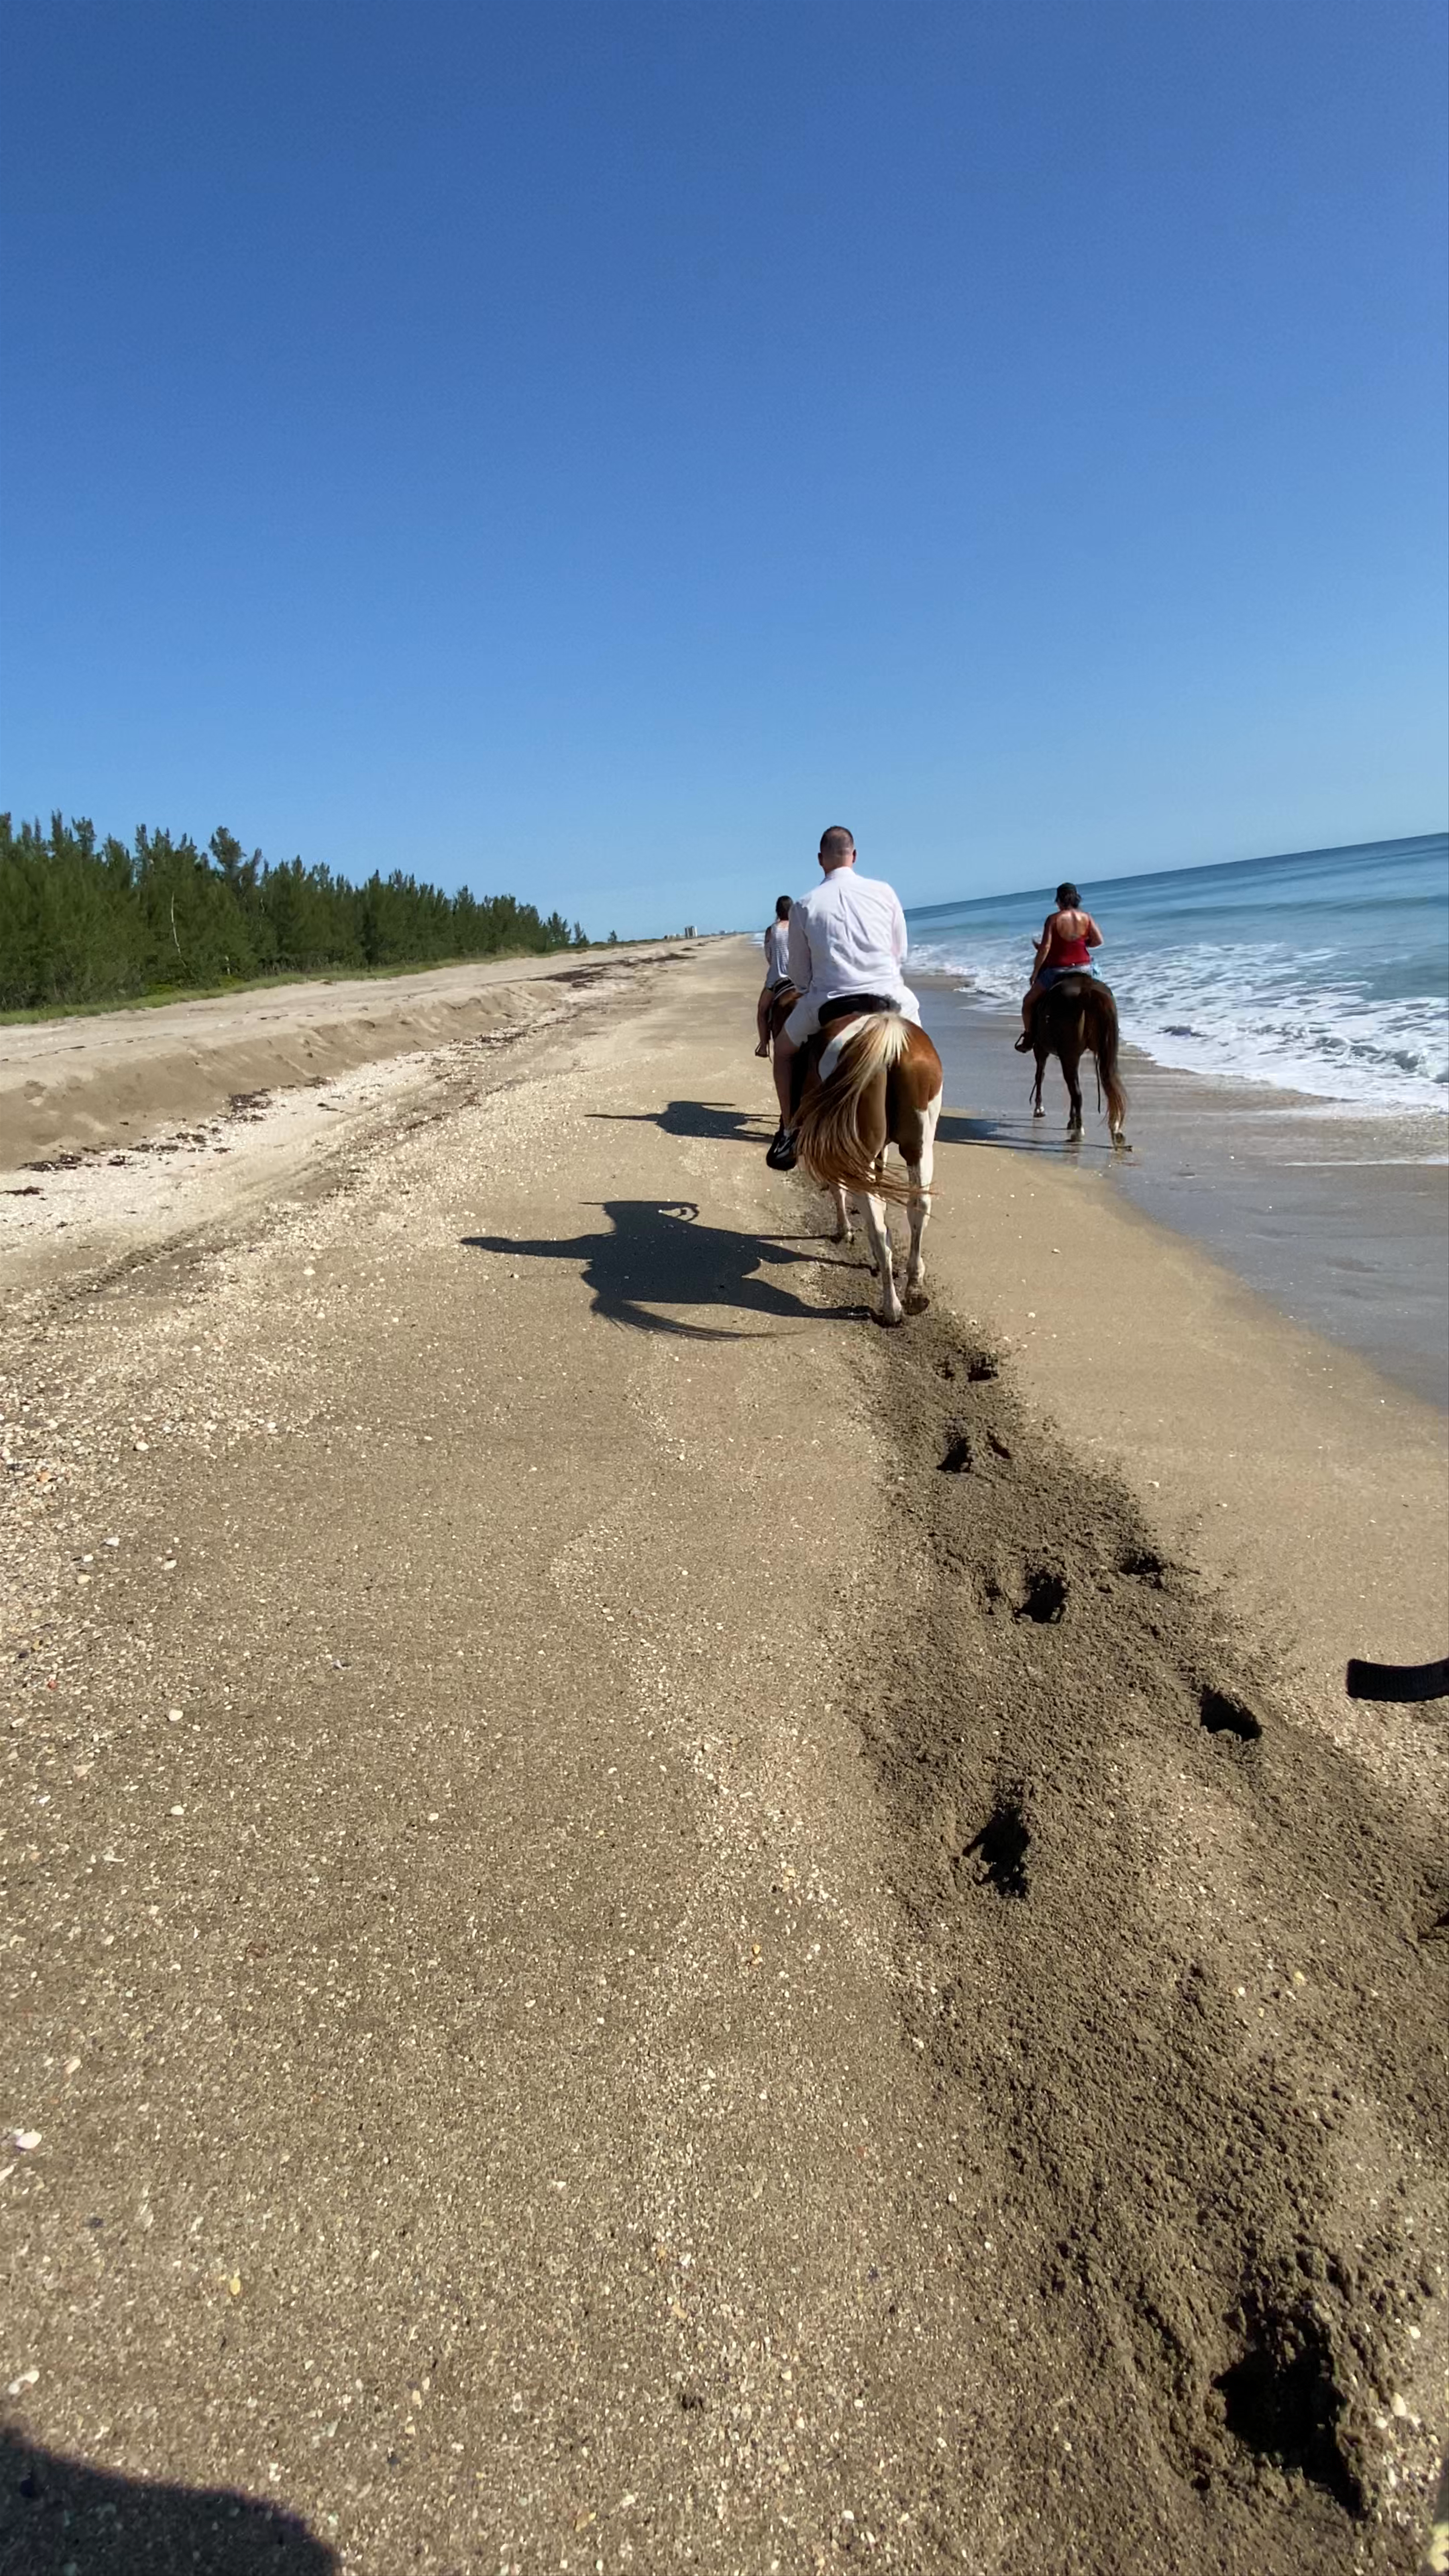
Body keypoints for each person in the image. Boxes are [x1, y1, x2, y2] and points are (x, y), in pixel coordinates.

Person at [766, 826, 920, 1170]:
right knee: (922, 1047)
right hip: (892, 998)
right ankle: (925, 1113)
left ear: (821, 860)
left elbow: (801, 976)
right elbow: (901, 954)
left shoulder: (804, 906)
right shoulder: (885, 891)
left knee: (784, 1051)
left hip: (830, 1001)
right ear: (855, 855)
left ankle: (790, 1128)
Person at [1015, 882, 1103, 1051]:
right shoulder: (1087, 917)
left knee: (1028, 1003)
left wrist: (1035, 973)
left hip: (1058, 972)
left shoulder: (1053, 919)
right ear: (1076, 899)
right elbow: (1099, 941)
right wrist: (1081, 944)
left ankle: (1029, 1037)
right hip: (1085, 969)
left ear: (1059, 900)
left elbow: (1046, 948)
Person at [755, 895, 795, 1056]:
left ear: (777, 911)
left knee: (762, 1010)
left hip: (777, 978)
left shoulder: (771, 930)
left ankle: (764, 1046)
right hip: (799, 979)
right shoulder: (798, 928)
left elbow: (769, 957)